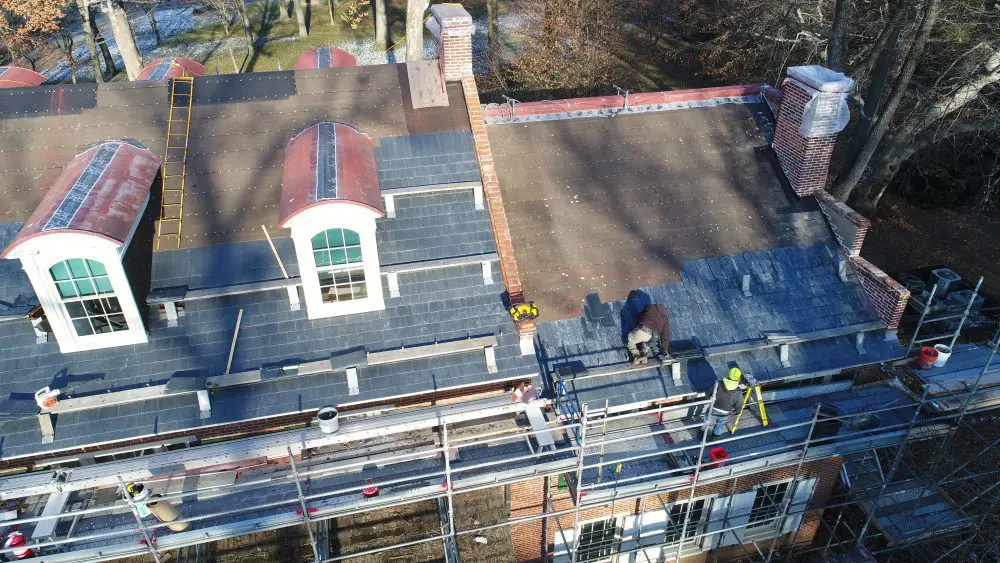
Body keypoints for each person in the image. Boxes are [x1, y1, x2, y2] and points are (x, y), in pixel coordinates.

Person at [710, 367, 745, 438]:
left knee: (707, 419)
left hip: (714, 407)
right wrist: (738, 411)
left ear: (729, 374)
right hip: (725, 411)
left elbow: (710, 392)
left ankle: (701, 433)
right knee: (720, 424)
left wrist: (709, 399)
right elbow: (739, 403)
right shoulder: (738, 391)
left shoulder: (719, 383)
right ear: (738, 378)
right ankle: (715, 438)